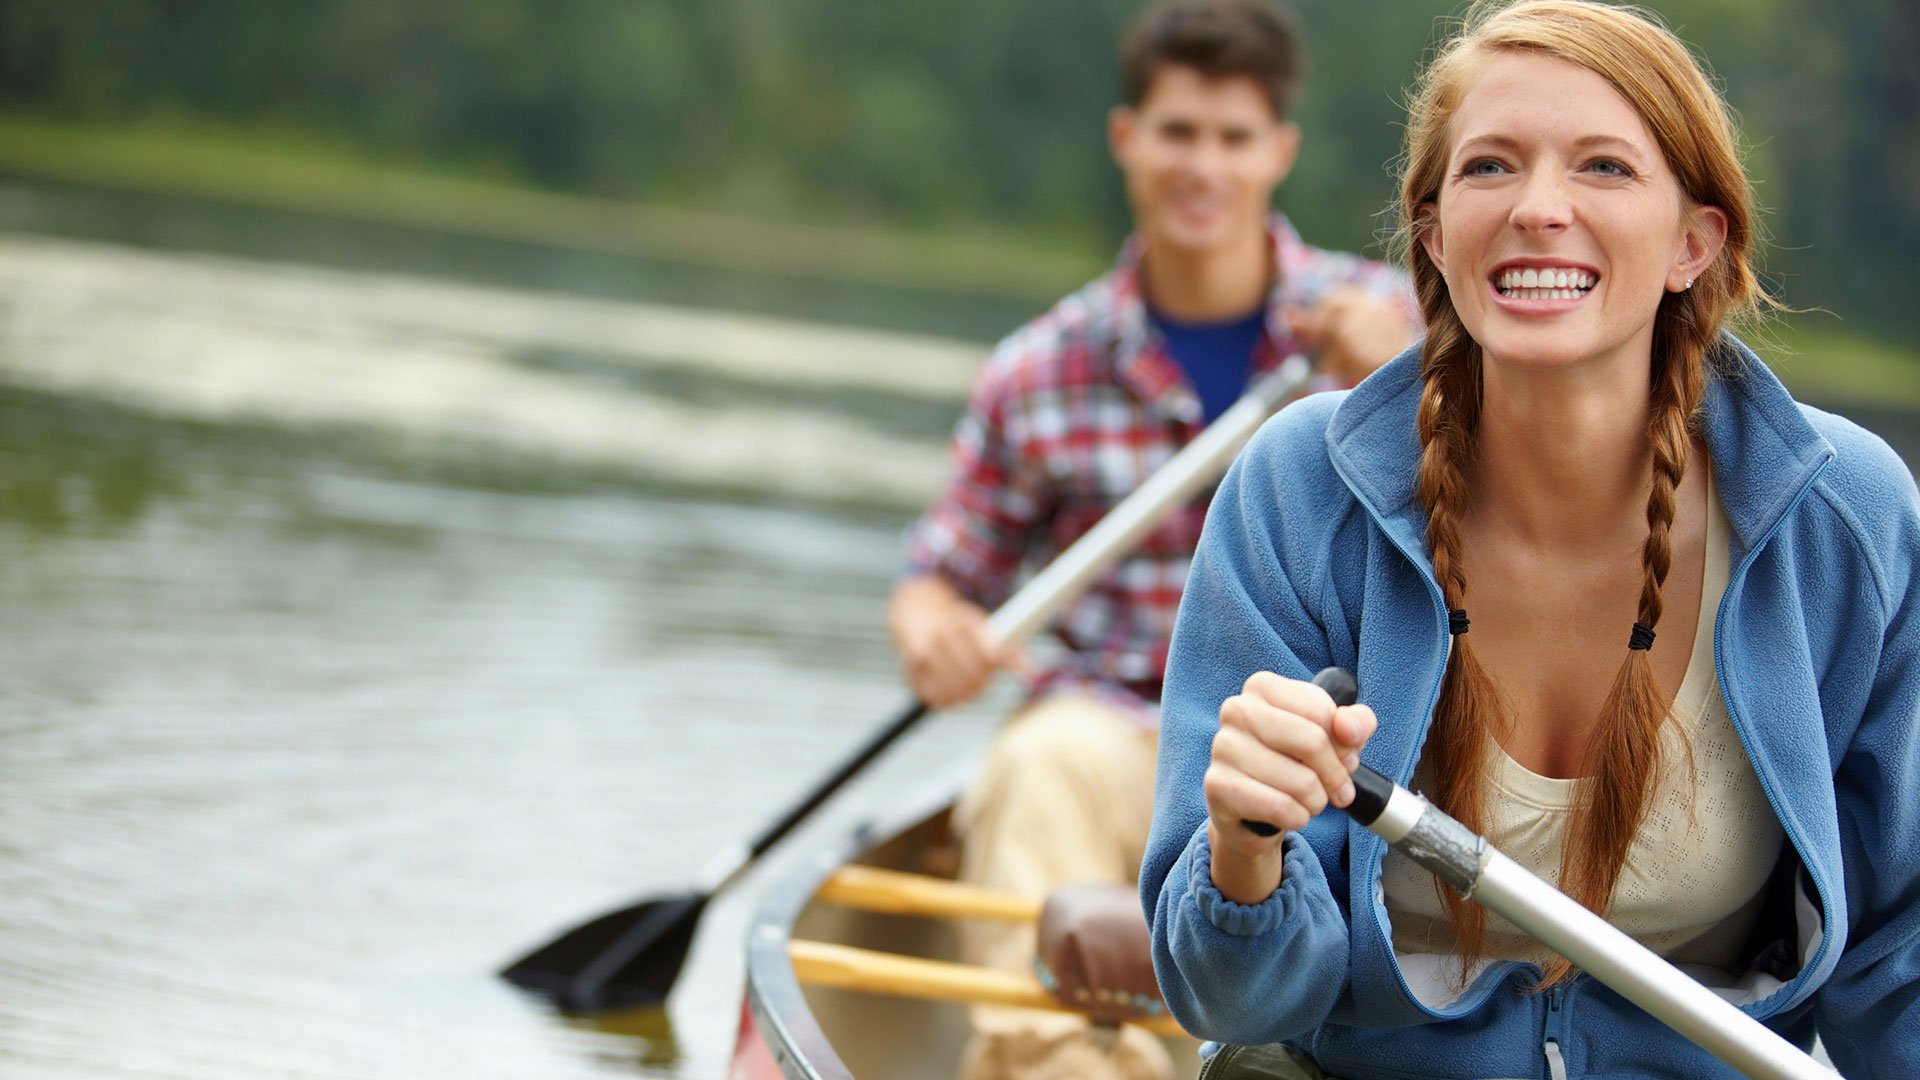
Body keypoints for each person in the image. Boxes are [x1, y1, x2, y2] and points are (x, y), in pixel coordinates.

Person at [1142, 0, 1920, 1077]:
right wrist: (1241, 845)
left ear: (1695, 243)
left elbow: (1900, 959)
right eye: (1490, 167)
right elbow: (1233, 996)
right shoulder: (1299, 488)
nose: (1538, 209)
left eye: (1604, 167)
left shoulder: (1848, 519)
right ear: (1434, 235)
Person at [889, 2, 1419, 1077]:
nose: (1203, 167)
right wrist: (932, 630)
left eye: (1233, 138)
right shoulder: (1039, 369)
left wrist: (1403, 381)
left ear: (1279, 151)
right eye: (1178, 132)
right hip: (1114, 730)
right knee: (1039, 761)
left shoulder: (1404, 326)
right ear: (1127, 139)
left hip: (1331, 747)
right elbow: (941, 580)